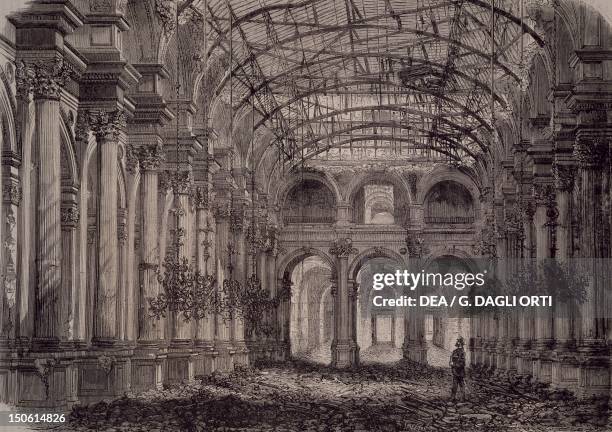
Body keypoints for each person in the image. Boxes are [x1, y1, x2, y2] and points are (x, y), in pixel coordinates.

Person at [449, 336, 466, 401]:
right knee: (454, 385)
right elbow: (451, 359)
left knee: (461, 384)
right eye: (457, 341)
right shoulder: (454, 351)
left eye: (459, 341)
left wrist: (456, 365)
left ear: (461, 343)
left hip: (460, 371)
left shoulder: (463, 352)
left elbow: (463, 363)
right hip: (455, 371)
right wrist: (451, 363)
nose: (457, 343)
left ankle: (462, 397)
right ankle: (453, 397)